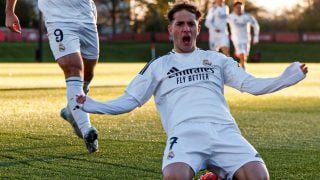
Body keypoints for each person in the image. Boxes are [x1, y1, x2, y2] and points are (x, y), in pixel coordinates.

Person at [76, 2, 308, 179]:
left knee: (259, 176)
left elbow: (251, 85)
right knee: (174, 176)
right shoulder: (159, 65)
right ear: (171, 29)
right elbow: (130, 100)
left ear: (198, 28)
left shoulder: (217, 59)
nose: (186, 28)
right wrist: (91, 104)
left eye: (190, 24)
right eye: (180, 24)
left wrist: (286, 78)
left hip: (225, 132)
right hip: (186, 134)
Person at [5, 0, 99, 153]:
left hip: (86, 16)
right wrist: (9, 11)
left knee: (88, 73)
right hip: (59, 19)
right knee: (73, 68)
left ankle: (71, 111)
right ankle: (86, 129)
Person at [227, 1, 260, 69]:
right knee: (242, 54)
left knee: (244, 56)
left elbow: (256, 25)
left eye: (240, 7)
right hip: (236, 39)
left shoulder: (247, 16)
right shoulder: (230, 17)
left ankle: (241, 63)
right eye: (237, 7)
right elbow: (221, 24)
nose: (239, 9)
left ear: (243, 8)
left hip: (246, 39)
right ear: (234, 8)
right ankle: (244, 71)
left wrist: (256, 37)